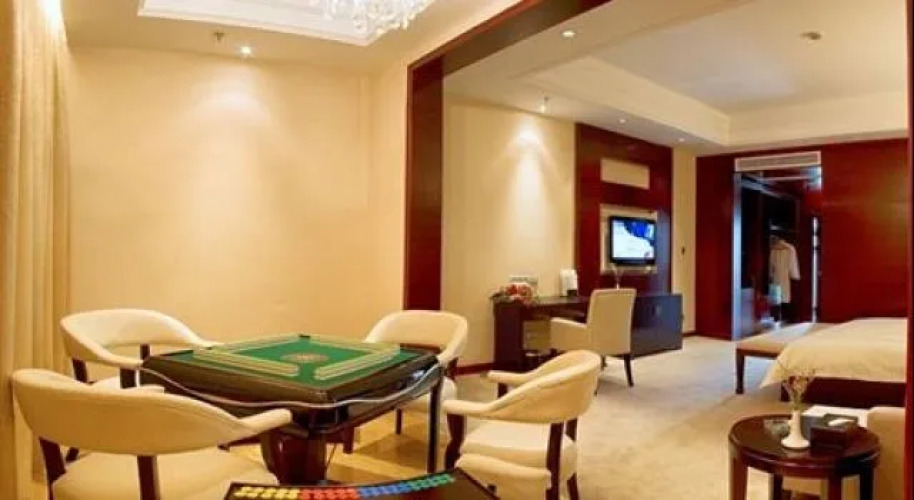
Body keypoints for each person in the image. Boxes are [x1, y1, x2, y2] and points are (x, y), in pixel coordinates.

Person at [769, 235, 800, 323]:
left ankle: (776, 317)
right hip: (786, 275)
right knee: (785, 295)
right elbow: (793, 263)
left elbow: (771, 265)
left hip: (776, 275)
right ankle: (788, 316)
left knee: (776, 296)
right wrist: (794, 275)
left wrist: (770, 275)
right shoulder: (790, 249)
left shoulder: (773, 250)